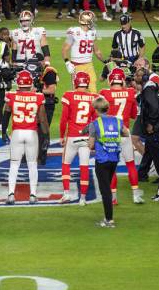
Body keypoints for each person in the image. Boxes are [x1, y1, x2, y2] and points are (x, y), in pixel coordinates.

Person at [2, 70, 49, 205]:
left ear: (18, 83)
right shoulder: (38, 97)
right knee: (32, 164)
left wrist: (3, 131)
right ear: (30, 82)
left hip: (17, 133)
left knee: (14, 164)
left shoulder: (11, 96)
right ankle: (33, 195)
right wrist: (46, 135)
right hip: (31, 133)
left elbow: (6, 113)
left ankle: (11, 194)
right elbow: (43, 119)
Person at [99, 68, 145, 204]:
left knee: (111, 166)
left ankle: (113, 198)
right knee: (130, 164)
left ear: (111, 80)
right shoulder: (130, 92)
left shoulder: (104, 93)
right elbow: (132, 115)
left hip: (109, 133)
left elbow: (99, 113)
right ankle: (136, 195)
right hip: (124, 131)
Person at [86, 96, 131, 227]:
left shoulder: (95, 124)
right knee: (107, 187)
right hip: (114, 159)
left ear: (95, 109)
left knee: (105, 190)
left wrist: (93, 144)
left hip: (102, 159)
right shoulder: (117, 121)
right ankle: (108, 217)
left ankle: (109, 219)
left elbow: (91, 145)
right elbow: (126, 133)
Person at [58, 71, 96, 205]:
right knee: (84, 167)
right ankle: (83, 198)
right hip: (86, 138)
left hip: (72, 137)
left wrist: (61, 135)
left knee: (66, 164)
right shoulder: (94, 97)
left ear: (75, 82)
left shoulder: (69, 95)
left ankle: (66, 193)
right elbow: (96, 121)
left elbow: (64, 119)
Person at [63, 11, 104, 93]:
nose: (93, 22)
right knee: (78, 91)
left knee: (93, 90)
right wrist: (67, 63)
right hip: (76, 65)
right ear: (87, 21)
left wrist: (105, 61)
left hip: (89, 65)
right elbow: (64, 49)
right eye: (92, 20)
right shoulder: (74, 32)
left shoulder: (92, 32)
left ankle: (93, 105)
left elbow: (97, 51)